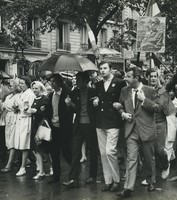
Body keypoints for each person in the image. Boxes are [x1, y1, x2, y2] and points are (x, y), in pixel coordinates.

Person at [114, 67, 160, 198]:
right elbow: (120, 105)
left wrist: (144, 100)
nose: (125, 79)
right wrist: (122, 113)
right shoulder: (124, 90)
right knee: (131, 159)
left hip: (146, 130)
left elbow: (157, 108)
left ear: (136, 78)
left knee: (149, 158)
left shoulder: (150, 90)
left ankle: (151, 180)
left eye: (128, 76)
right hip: (131, 130)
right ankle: (128, 188)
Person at [93, 61, 126, 192]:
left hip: (113, 121)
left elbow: (124, 98)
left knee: (110, 151)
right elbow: (97, 97)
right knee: (102, 153)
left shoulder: (119, 82)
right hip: (100, 121)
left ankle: (117, 180)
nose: (102, 71)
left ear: (111, 69)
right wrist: (95, 99)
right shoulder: (98, 84)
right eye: (100, 68)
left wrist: (121, 107)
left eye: (105, 68)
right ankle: (108, 181)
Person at [62, 72, 98, 188]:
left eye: (78, 79)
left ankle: (92, 175)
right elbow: (74, 110)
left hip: (91, 125)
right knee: (75, 151)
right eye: (76, 79)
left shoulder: (93, 91)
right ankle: (73, 178)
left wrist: (97, 99)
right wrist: (68, 104)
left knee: (93, 151)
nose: (76, 81)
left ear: (84, 80)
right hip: (78, 124)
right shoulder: (74, 92)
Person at [46, 74, 73, 184]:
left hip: (64, 127)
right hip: (54, 127)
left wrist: (68, 105)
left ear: (59, 83)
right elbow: (50, 110)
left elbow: (71, 111)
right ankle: (56, 175)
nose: (51, 84)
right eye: (50, 82)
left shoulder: (66, 94)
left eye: (54, 81)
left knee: (66, 151)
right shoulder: (51, 95)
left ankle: (74, 172)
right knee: (54, 152)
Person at [29, 81, 52, 180]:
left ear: (41, 88)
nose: (34, 90)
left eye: (36, 88)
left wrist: (36, 111)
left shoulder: (45, 99)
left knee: (45, 150)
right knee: (37, 150)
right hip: (35, 126)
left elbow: (46, 114)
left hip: (42, 126)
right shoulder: (34, 99)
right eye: (33, 88)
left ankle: (51, 166)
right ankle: (41, 171)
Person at [13, 76, 35, 176]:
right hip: (19, 120)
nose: (20, 85)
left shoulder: (30, 94)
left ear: (27, 83)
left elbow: (29, 110)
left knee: (24, 145)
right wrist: (15, 107)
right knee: (21, 143)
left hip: (26, 121)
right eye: (19, 83)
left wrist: (21, 109)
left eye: (22, 83)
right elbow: (16, 105)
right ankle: (31, 161)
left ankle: (23, 168)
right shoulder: (21, 94)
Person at [0, 79, 21, 173]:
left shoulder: (19, 96)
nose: (10, 87)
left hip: (15, 118)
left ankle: (9, 165)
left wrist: (15, 109)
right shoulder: (8, 96)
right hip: (8, 119)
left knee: (12, 141)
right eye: (9, 85)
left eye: (12, 85)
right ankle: (26, 159)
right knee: (9, 140)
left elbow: (18, 108)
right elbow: (3, 107)